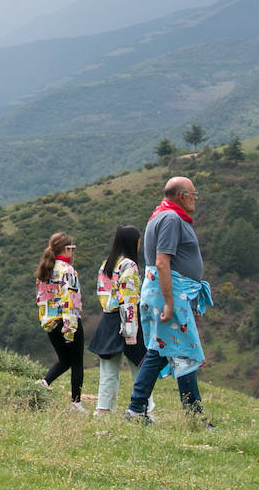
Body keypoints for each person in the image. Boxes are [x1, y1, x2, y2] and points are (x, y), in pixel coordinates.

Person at [124, 176, 214, 425]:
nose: (196, 198)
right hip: (170, 294)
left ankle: (189, 414)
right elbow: (162, 261)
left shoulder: (160, 215)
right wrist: (169, 302)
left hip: (168, 292)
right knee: (163, 351)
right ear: (182, 195)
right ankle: (136, 408)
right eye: (194, 194)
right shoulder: (172, 219)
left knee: (173, 350)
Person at [87, 225, 154, 417]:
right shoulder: (129, 266)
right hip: (128, 320)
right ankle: (144, 410)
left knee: (108, 371)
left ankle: (102, 411)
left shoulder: (105, 264)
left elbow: (101, 293)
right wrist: (131, 331)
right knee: (140, 370)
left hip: (108, 320)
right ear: (134, 242)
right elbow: (129, 299)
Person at [35, 231, 85, 412]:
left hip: (50, 323)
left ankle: (43, 383)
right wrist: (70, 330)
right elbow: (71, 300)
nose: (73, 252)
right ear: (65, 249)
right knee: (77, 362)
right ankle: (76, 403)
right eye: (72, 248)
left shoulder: (44, 270)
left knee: (64, 360)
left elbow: (41, 300)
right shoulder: (68, 271)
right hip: (67, 322)